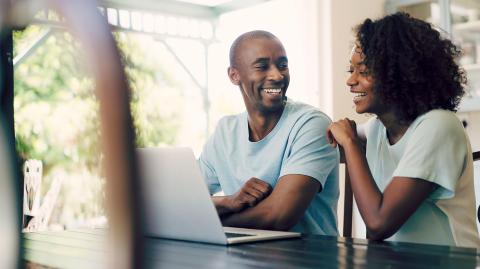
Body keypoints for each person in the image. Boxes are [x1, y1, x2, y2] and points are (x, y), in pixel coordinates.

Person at [327, 12, 480, 247]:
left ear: (399, 73)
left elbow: (379, 223)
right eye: (351, 70)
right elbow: (317, 145)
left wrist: (350, 143)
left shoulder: (439, 126)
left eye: (364, 71)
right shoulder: (377, 128)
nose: (351, 81)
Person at [198, 30, 339, 235]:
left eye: (283, 65)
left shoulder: (312, 124)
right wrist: (229, 202)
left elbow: (278, 216)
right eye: (262, 67)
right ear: (234, 75)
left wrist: (213, 221)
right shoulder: (225, 132)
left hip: (308, 258)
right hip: (245, 256)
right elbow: (187, 201)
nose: (277, 75)